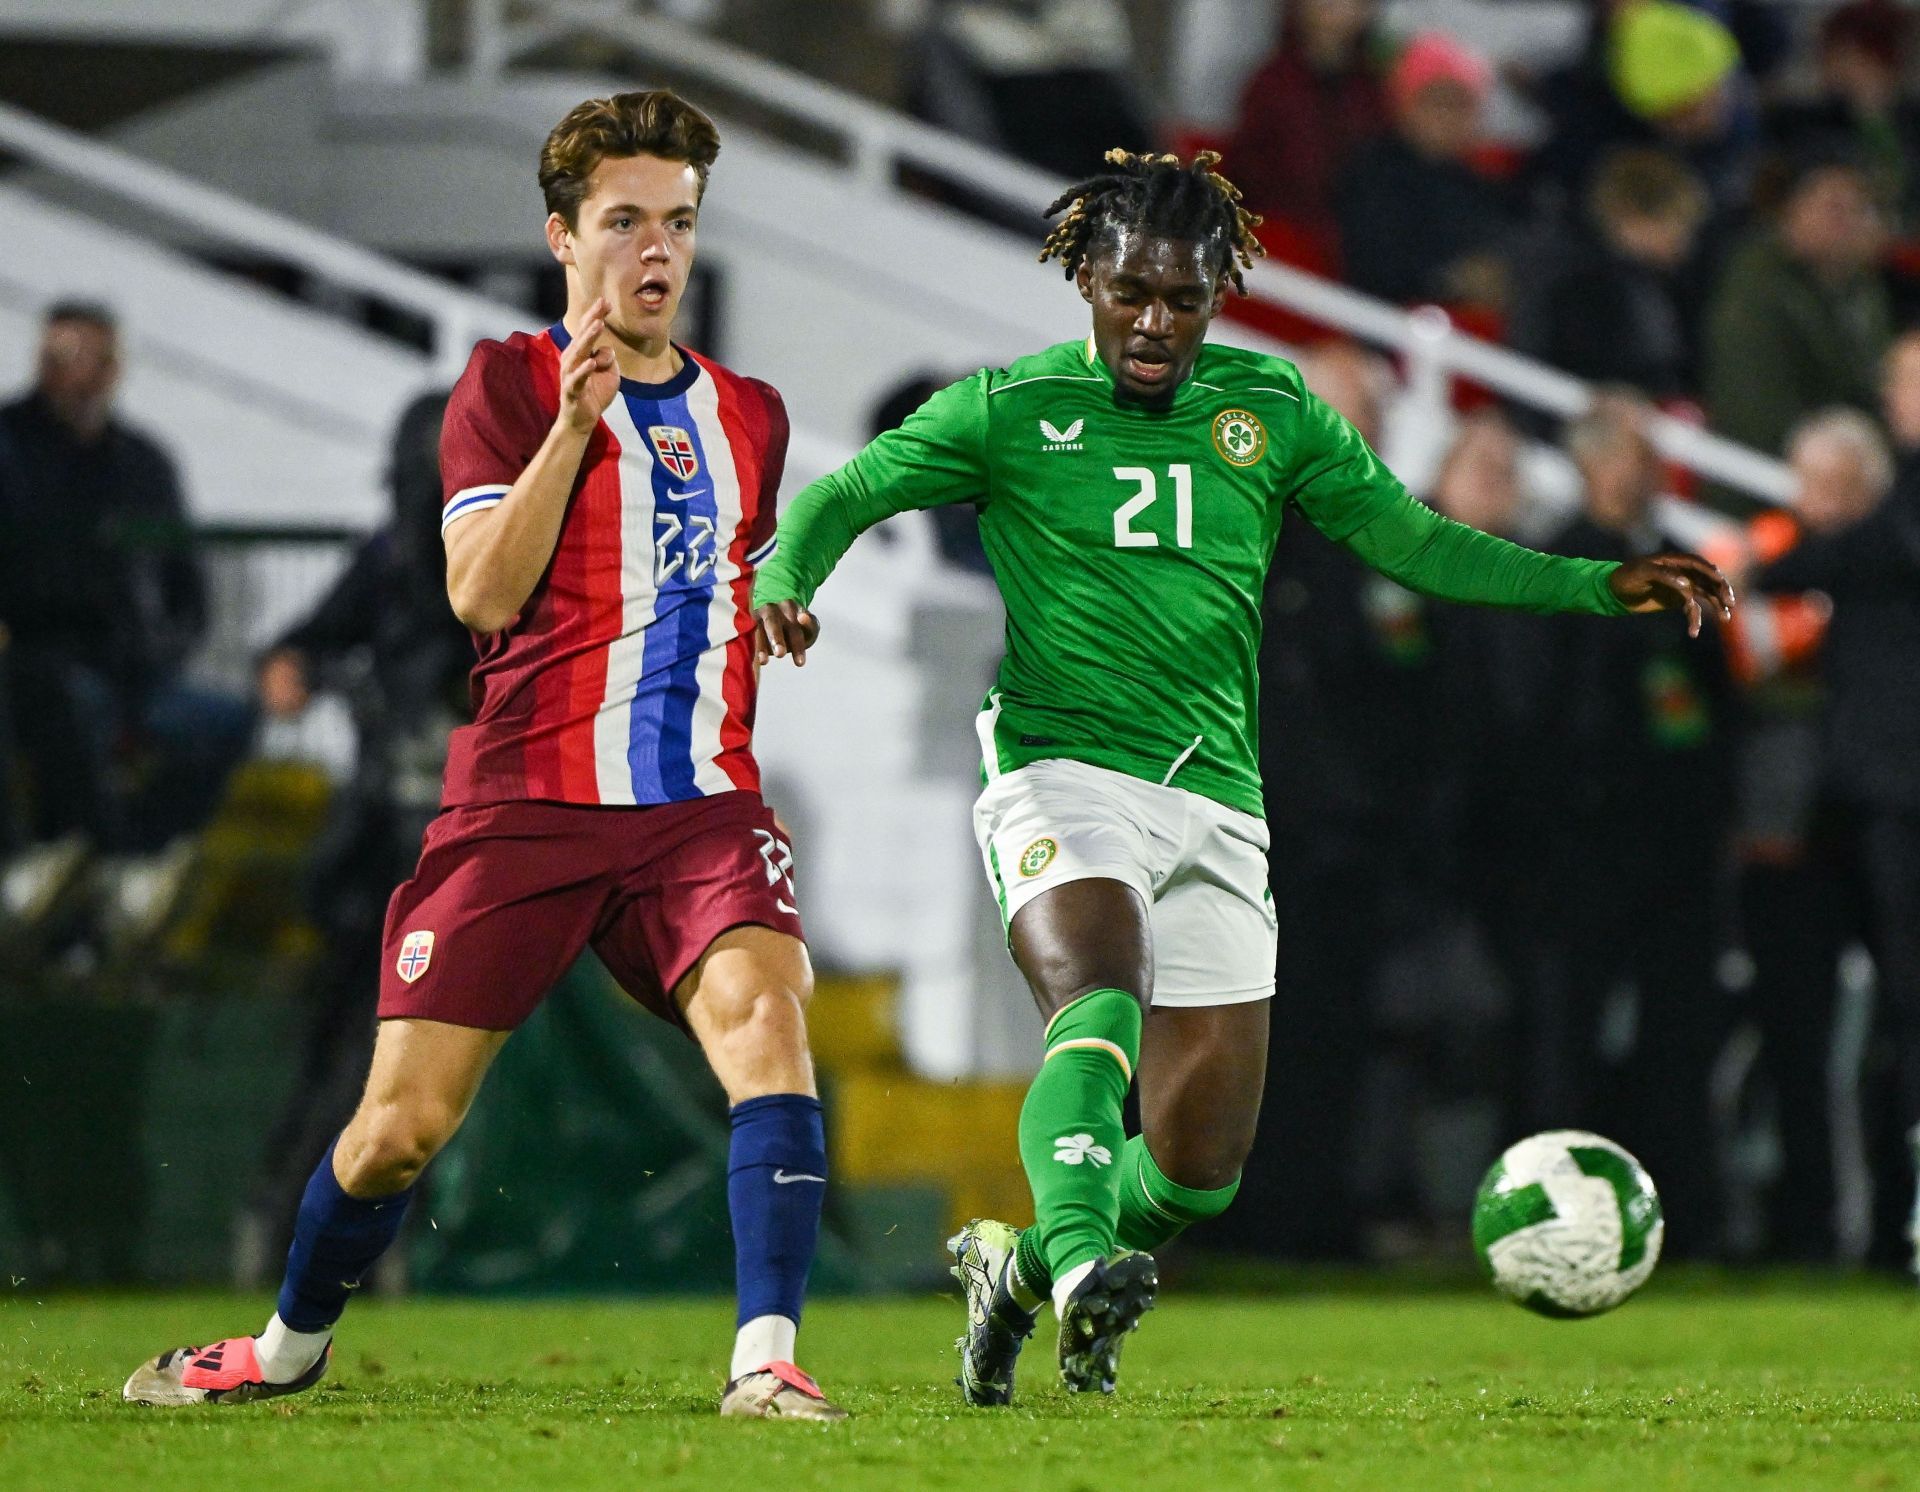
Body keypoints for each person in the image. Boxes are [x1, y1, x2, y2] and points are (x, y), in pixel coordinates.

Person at [751, 148, 1733, 1401]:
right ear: (1087, 280)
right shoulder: (1006, 406)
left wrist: (1599, 583)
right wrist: (786, 581)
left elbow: (1415, 540)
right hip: (1060, 763)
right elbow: (848, 490)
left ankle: (1021, 1264)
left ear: (1221, 290)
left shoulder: (1268, 411)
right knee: (1096, 999)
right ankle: (1075, 1260)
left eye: (1182, 297)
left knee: (1199, 1166)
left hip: (1217, 792)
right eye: (1130, 293)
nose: (1154, 323)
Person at [123, 90, 846, 1422]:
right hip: (526, 810)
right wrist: (572, 429)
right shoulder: (505, 387)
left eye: (678, 223)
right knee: (398, 1132)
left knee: (769, 1029)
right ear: (563, 238)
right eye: (624, 221)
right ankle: (285, 1348)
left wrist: (773, 603)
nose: (656, 251)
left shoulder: (752, 414)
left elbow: (719, 574)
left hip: (697, 808)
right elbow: (481, 595)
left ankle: (767, 1360)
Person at [235, 390, 473, 1283]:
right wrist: (297, 669)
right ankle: (295, 1229)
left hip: (462, 842)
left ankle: (361, 1240)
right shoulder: (390, 558)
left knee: (403, 1055)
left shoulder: (504, 548)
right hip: (384, 844)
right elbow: (295, 651)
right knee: (348, 1049)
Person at [1536, 392, 1738, 1251]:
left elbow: (1719, 704)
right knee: (1567, 1035)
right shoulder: (1551, 564)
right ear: (1588, 465)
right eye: (1630, 453)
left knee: (1680, 1033)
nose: (1646, 469)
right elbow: (1541, 711)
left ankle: (1681, 1218)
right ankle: (1556, 1216)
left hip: (1678, 845)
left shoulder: (1678, 564)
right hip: (1583, 840)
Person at [1753, 398, 1920, 1271]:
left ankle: (1895, 1215)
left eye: (1834, 485)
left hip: (1881, 815)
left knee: (1903, 1020)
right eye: (1809, 485)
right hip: (1805, 833)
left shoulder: (1875, 558)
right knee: (1799, 1030)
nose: (1816, 502)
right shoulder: (1792, 573)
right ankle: (1812, 1219)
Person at [0, 302, 248, 860]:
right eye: (64, 358)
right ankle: (93, 856)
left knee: (228, 720)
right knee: (73, 710)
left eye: (94, 358)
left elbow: (188, 583)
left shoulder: (143, 461)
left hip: (136, 671)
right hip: (36, 666)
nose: (79, 374)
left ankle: (137, 857)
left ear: (114, 369)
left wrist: (167, 649)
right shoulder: (9, 448)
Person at [1702, 149, 1890, 467]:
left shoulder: (1861, 287)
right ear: (1790, 210)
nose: (1851, 222)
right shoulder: (1757, 287)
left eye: (1861, 209)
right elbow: (1756, 412)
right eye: (1835, 209)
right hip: (1774, 483)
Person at [1509, 148, 1708, 401]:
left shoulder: (1645, 282)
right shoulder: (1578, 284)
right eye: (1676, 226)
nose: (1683, 245)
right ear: (1631, 216)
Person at [1335, 32, 1512, 312]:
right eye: (1436, 101)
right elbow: (1376, 269)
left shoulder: (1480, 185)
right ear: (1403, 104)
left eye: (1461, 105)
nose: (1447, 117)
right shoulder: (1372, 173)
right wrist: (1452, 281)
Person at [1223, 0, 1387, 260]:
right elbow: (1249, 176)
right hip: (1281, 247)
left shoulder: (1372, 92)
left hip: (1359, 247)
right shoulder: (1270, 85)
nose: (1337, 11)